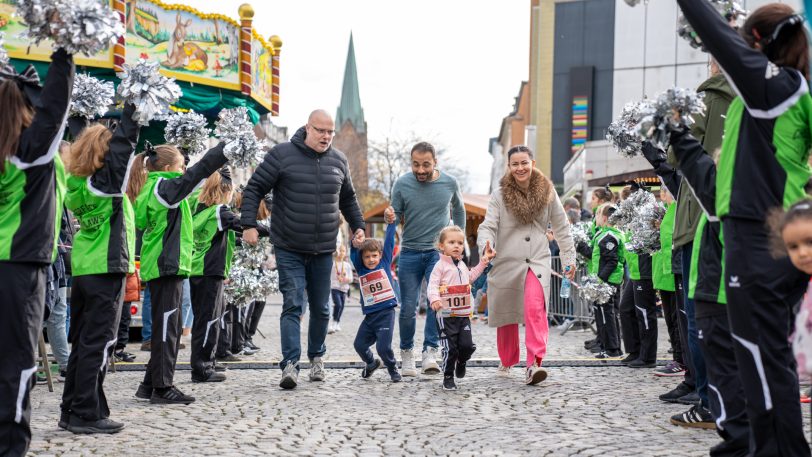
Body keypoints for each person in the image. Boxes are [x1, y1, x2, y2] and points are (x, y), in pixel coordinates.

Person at [679, 2, 812, 454]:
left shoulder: (774, 87)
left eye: (745, 42)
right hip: (761, 235)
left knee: (761, 361)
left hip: (762, 238)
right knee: (765, 360)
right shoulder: (773, 92)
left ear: (758, 44)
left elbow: (716, 33)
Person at [240, 109, 365, 390]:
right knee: (294, 303)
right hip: (289, 245)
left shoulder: (339, 160)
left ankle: (317, 357)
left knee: (322, 308)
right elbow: (254, 187)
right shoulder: (282, 154)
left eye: (330, 131)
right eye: (321, 130)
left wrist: (359, 226)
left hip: (322, 249)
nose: (326, 136)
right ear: (308, 128)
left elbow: (348, 198)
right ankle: (290, 364)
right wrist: (248, 223)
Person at [0, 48, 74, 456]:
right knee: (16, 363)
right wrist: (64, 52)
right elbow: (56, 105)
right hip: (20, 267)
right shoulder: (29, 149)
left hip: (16, 262)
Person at [128, 139, 228, 405]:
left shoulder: (159, 187)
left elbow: (194, 180)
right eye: (182, 166)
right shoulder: (163, 188)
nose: (185, 171)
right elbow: (198, 173)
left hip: (167, 264)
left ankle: (149, 384)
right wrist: (222, 151)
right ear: (171, 167)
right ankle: (162, 387)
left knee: (167, 325)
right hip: (165, 265)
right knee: (168, 329)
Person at [477, 145, 576, 385]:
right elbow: (488, 225)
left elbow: (561, 228)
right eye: (515, 164)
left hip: (537, 260)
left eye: (524, 162)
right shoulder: (499, 194)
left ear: (532, 163)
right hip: (506, 259)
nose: (520, 168)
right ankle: (508, 358)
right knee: (508, 314)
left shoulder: (548, 191)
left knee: (534, 309)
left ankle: (534, 364)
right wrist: (485, 246)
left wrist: (569, 258)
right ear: (509, 167)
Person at [390, 141, 466, 376]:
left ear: (435, 163)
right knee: (407, 308)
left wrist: (457, 241)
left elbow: (460, 209)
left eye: (426, 165)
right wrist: (388, 215)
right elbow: (395, 214)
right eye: (415, 164)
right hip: (410, 252)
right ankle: (406, 355)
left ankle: (430, 352)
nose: (420, 170)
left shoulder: (449, 182)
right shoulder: (402, 183)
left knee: (437, 304)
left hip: (437, 254)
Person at [188, 167, 240, 383]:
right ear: (226, 191)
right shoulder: (219, 211)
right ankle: (202, 368)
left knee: (204, 319)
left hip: (198, 268)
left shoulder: (197, 206)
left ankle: (205, 361)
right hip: (210, 269)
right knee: (208, 320)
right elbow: (244, 224)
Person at [428, 225, 495, 390]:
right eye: (451, 242)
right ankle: (448, 377)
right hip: (445, 315)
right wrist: (434, 299)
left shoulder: (462, 265)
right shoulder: (440, 267)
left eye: (460, 242)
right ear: (441, 246)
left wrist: (484, 261)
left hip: (463, 314)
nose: (457, 246)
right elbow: (432, 285)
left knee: (466, 346)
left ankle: (462, 360)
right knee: (450, 348)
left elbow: (470, 278)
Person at [351, 207, 402, 383]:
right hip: (370, 317)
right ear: (362, 258)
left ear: (380, 255)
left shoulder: (385, 263)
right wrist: (355, 243)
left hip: (386, 313)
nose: (371, 259)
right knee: (359, 345)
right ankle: (371, 363)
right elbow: (354, 253)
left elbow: (388, 241)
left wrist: (392, 222)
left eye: (374, 256)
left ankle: (392, 366)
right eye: (367, 257)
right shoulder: (361, 269)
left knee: (383, 347)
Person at [577, 203, 624, 359]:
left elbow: (611, 261)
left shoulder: (609, 236)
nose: (594, 218)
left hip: (607, 281)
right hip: (604, 279)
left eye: (597, 215)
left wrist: (600, 280)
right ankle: (607, 345)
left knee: (607, 314)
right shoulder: (603, 234)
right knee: (604, 313)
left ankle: (612, 348)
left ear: (604, 218)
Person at [651, 188, 684, 377]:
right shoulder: (666, 211)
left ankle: (681, 361)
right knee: (671, 320)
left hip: (674, 273)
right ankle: (677, 359)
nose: (665, 193)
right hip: (664, 274)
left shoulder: (679, 209)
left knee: (677, 320)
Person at [330, 244, 352, 334]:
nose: (341, 253)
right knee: (338, 304)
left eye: (343, 251)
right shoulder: (332, 264)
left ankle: (337, 322)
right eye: (340, 250)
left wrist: (346, 279)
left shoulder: (347, 265)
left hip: (344, 288)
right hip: (334, 287)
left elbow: (350, 278)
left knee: (342, 306)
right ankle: (334, 322)